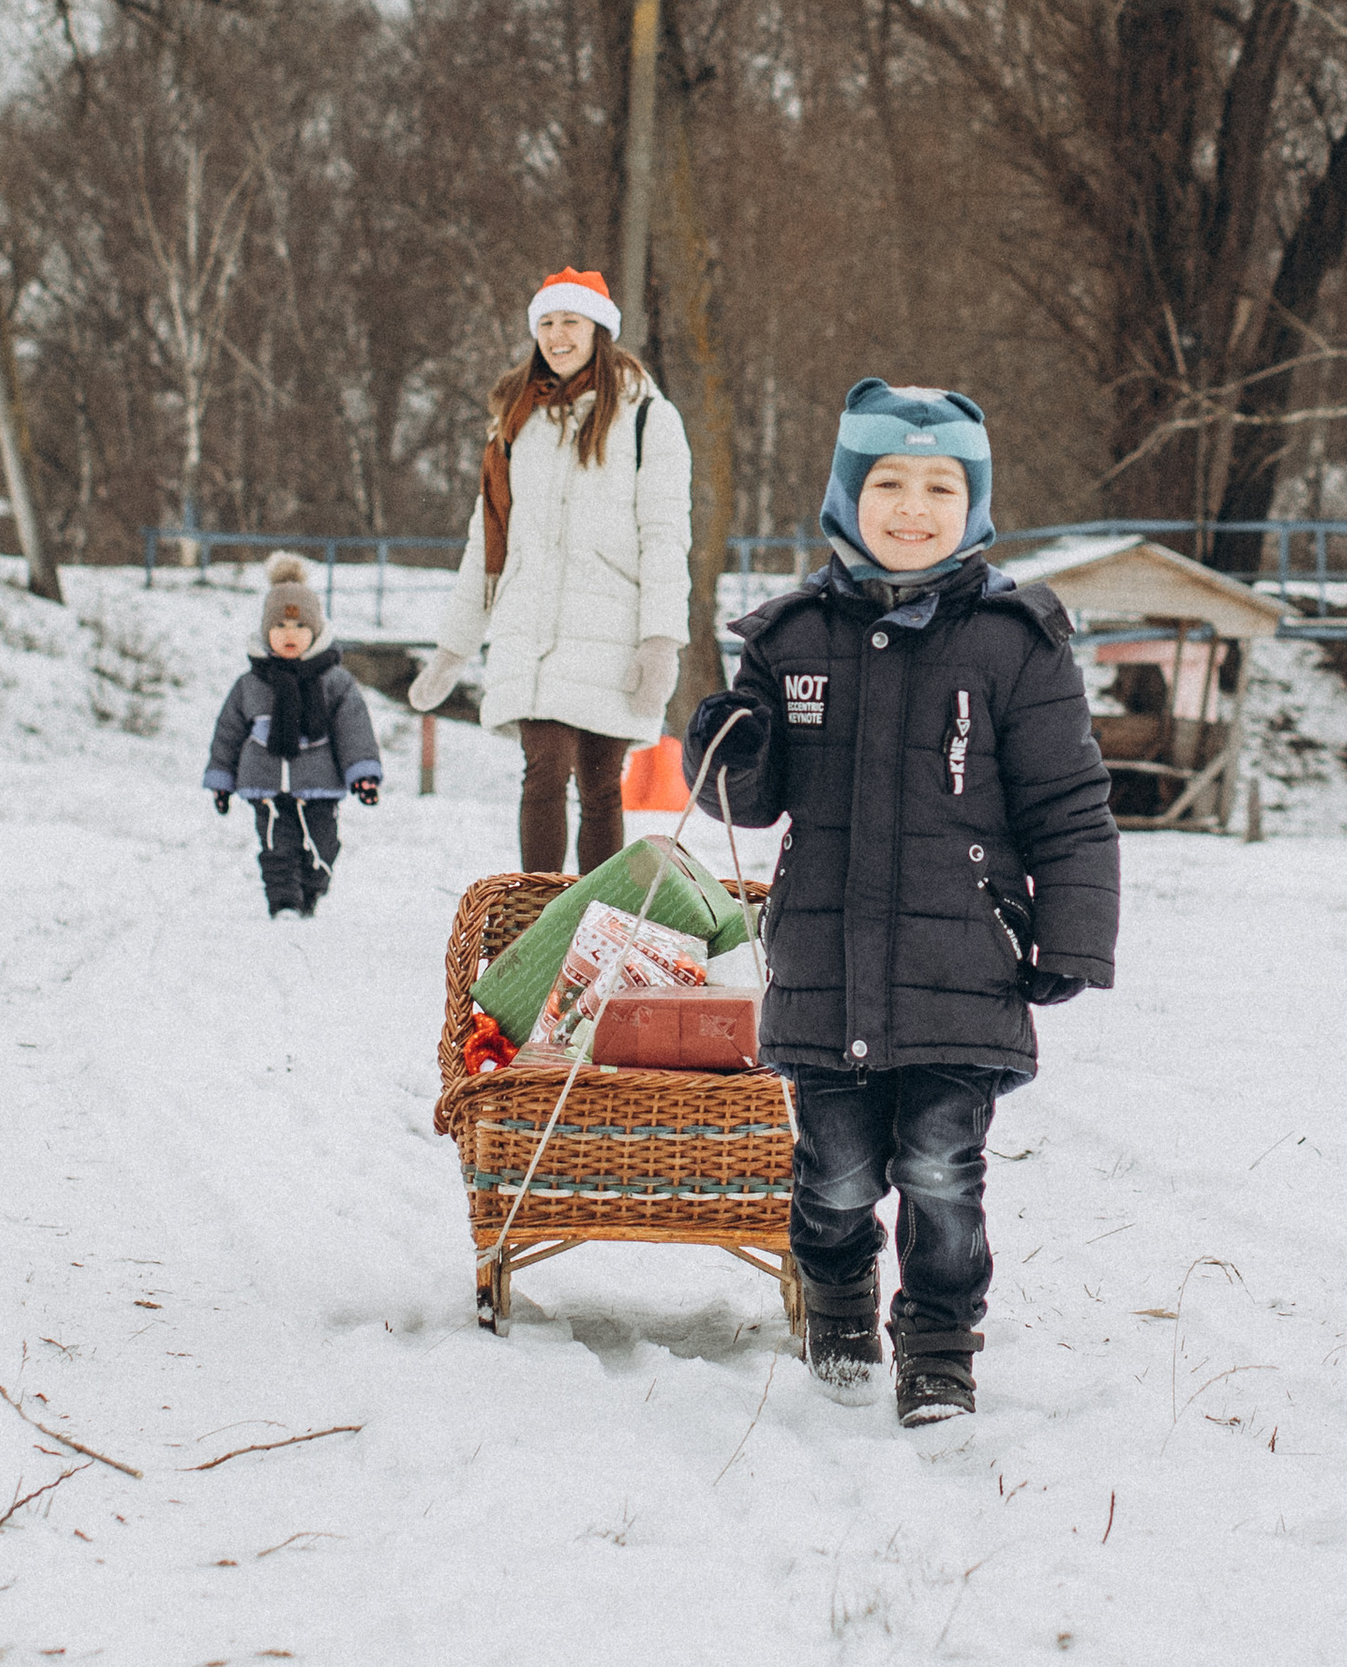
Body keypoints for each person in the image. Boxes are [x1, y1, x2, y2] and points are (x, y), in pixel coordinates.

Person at [685, 379, 1118, 1428]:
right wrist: (724, 738)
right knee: (834, 1175)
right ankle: (836, 1300)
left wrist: (1072, 930)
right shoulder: (788, 638)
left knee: (938, 1170)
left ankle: (936, 1348)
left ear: (970, 505)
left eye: (939, 486)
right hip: (827, 965)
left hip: (963, 964)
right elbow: (747, 801)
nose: (912, 507)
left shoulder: (1018, 641)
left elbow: (1067, 803)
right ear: (847, 495)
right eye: (888, 482)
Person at [409, 268, 693, 883]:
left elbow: (666, 537)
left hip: (609, 630)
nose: (558, 336)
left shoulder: (648, 419)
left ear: (599, 330)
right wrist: (452, 651)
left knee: (600, 783)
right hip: (528, 630)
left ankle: (598, 922)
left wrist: (660, 641)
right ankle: (538, 919)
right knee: (545, 765)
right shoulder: (517, 422)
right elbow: (487, 540)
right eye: (546, 323)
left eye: (571, 322)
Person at [205, 555, 383, 917]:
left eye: (300, 625)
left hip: (319, 783)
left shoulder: (334, 681)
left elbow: (353, 728)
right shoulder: (251, 683)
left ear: (316, 631)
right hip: (267, 785)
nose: (290, 634)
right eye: (281, 625)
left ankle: (311, 892)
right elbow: (228, 732)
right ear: (266, 631)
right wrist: (222, 781)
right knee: (277, 846)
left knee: (324, 847)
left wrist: (362, 776)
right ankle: (284, 902)